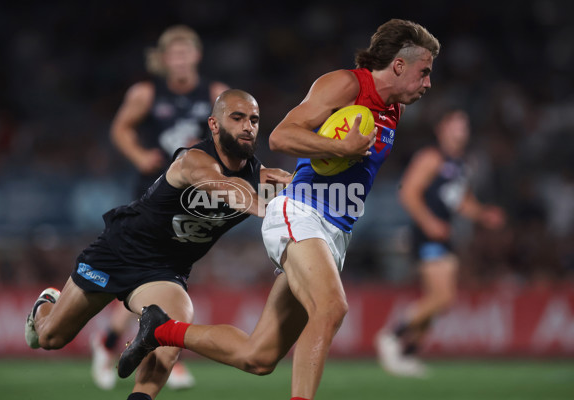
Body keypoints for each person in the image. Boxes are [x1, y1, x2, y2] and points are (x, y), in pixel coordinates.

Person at [117, 19, 440, 400]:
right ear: (399, 66)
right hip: (300, 212)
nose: (428, 83)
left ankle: (159, 330)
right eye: (424, 72)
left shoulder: (392, 109)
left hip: (335, 229)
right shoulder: (346, 84)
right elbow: (282, 135)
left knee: (259, 356)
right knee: (331, 308)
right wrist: (341, 148)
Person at [25, 89, 291, 400]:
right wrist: (268, 207)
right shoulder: (193, 160)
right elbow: (222, 186)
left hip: (164, 271)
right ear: (214, 125)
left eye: (254, 120)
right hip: (117, 252)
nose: (248, 126)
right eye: (238, 117)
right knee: (50, 338)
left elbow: (301, 186)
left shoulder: (263, 178)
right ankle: (45, 303)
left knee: (168, 338)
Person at [91, 24, 229, 390]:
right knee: (157, 272)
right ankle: (151, 344)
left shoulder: (215, 94)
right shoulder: (146, 92)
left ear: (196, 56)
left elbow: (226, 136)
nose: (181, 60)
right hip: (152, 194)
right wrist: (139, 155)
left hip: (191, 198)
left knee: (169, 273)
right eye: (175, 54)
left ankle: (123, 341)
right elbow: (121, 128)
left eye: (187, 53)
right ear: (165, 60)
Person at [376, 108, 506, 377]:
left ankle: (406, 354)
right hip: (426, 235)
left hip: (443, 235)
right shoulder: (431, 157)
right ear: (442, 129)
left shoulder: (461, 164)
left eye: (465, 123)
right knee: (443, 298)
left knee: (437, 299)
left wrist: (482, 214)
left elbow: (460, 201)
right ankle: (391, 336)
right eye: (457, 123)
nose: (463, 129)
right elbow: (409, 193)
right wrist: (428, 223)